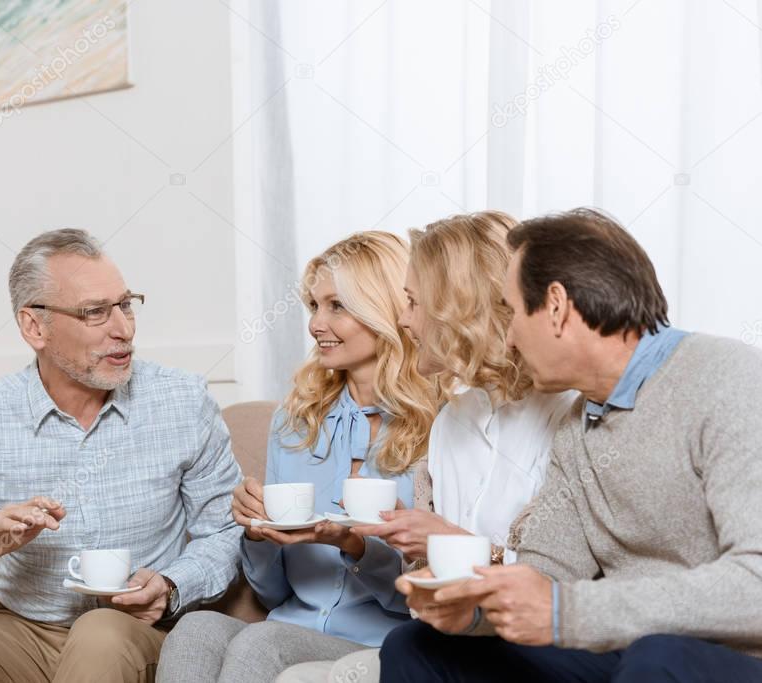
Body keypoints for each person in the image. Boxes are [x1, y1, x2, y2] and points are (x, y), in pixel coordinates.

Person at [383, 208, 762, 682]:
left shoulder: (729, 380)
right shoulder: (580, 423)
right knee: (417, 646)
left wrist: (569, 612)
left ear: (556, 307)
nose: (511, 337)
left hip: (734, 659)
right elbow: (547, 570)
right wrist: (474, 610)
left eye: (514, 311)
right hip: (625, 650)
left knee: (660, 657)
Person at [0, 228, 243, 683]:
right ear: (35, 327)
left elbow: (225, 533)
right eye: (95, 312)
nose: (123, 329)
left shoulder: (183, 401)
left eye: (125, 304)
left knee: (99, 636)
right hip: (21, 629)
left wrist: (172, 585)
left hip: (139, 628)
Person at [280, 211, 576, 683]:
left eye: (413, 302)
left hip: (539, 650)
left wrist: (452, 543)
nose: (402, 319)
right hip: (454, 642)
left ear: (459, 308)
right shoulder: (452, 422)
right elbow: (420, 591)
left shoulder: (569, 417)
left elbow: (572, 585)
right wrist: (400, 541)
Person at [156, 231, 437, 683]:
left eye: (336, 306)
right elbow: (272, 593)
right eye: (314, 306)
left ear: (382, 308)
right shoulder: (296, 422)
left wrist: (354, 545)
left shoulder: (438, 425)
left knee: (261, 642)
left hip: (383, 640)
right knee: (195, 629)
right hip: (290, 624)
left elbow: (425, 593)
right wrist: (258, 533)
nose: (315, 325)